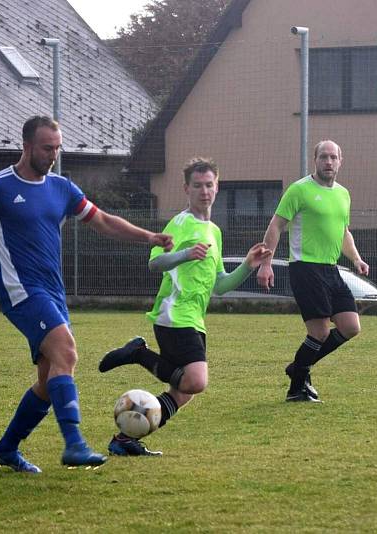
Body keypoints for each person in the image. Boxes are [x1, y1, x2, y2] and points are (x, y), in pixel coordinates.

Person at [0, 115, 173, 473]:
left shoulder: (62, 188)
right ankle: (74, 444)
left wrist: (150, 237)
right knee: (67, 351)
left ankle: (6, 448)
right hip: (22, 292)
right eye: (48, 148)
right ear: (27, 146)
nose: (53, 155)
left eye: (58, 148)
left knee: (49, 382)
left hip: (53, 293)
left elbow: (104, 220)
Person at [98, 157, 272, 456]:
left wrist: (247, 265)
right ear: (186, 189)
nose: (204, 191)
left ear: (217, 187)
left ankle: (125, 441)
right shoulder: (180, 223)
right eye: (197, 186)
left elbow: (220, 285)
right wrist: (185, 255)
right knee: (196, 381)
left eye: (209, 185)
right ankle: (138, 353)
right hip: (174, 314)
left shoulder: (214, 231)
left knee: (183, 393)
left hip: (194, 318)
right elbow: (155, 262)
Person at [256, 140, 369, 403]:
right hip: (305, 268)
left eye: (333, 157)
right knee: (318, 332)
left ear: (340, 161)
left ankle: (298, 367)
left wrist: (356, 259)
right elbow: (276, 226)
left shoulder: (343, 194)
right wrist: (266, 263)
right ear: (315, 160)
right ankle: (297, 388)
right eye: (323, 157)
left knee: (351, 327)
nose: (328, 162)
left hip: (331, 269)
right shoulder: (299, 190)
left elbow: (343, 232)